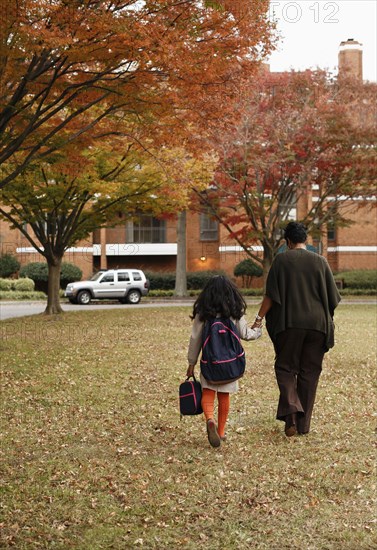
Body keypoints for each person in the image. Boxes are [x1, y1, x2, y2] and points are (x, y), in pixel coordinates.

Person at [251, 221, 341, 437]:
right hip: (318, 326)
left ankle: (291, 414)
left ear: (288, 241)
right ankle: (302, 426)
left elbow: (271, 295)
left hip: (289, 324)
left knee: (285, 368)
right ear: (306, 239)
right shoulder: (320, 261)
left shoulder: (281, 260)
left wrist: (258, 319)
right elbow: (333, 298)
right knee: (310, 372)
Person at [187, 275, 261, 448]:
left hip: (209, 362)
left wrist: (191, 363)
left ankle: (210, 419)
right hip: (230, 363)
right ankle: (220, 432)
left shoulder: (203, 313)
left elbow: (195, 339)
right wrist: (258, 329)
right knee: (224, 395)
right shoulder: (234, 311)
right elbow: (246, 335)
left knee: (208, 392)